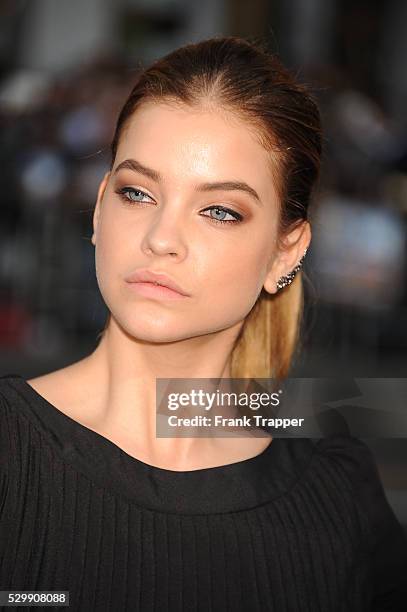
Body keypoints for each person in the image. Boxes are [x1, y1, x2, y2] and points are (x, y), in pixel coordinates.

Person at [1, 35, 406, 611]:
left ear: (284, 254)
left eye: (219, 210)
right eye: (137, 192)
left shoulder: (339, 499)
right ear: (98, 209)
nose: (161, 238)